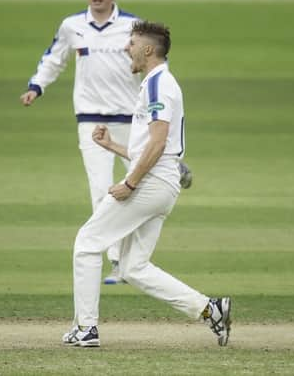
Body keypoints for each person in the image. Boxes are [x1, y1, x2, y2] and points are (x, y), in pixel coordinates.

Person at [62, 21, 231, 348]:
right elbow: (152, 148)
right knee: (133, 266)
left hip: (151, 182)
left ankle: (86, 329)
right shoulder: (156, 84)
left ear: (148, 50)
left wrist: (129, 182)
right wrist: (114, 146)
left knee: (87, 243)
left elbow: (157, 143)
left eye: (133, 43)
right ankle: (210, 309)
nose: (127, 48)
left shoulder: (158, 85)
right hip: (162, 182)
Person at [21, 0, 192, 285]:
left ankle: (171, 164)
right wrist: (37, 86)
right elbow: (54, 59)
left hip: (131, 118)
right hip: (91, 119)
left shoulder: (133, 29)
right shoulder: (72, 26)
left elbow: (154, 68)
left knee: (138, 177)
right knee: (102, 189)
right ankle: (116, 260)